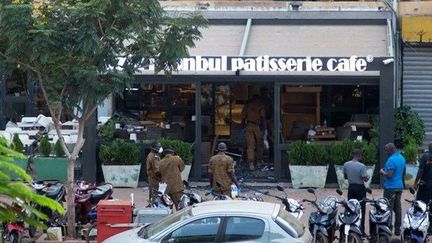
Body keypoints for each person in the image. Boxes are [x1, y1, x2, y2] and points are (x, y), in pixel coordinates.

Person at [380, 143, 406, 236]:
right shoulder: (402, 158)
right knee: (398, 208)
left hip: (390, 187)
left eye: (386, 150)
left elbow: (389, 174)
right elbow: (403, 173)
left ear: (391, 150)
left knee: (388, 208)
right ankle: (398, 229)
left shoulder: (391, 160)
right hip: (399, 187)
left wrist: (382, 172)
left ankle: (388, 228)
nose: (385, 152)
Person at [343, 149, 370, 234]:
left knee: (351, 207)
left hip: (351, 188)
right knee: (361, 208)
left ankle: (351, 227)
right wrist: (368, 176)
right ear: (359, 155)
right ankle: (361, 229)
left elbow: (345, 177)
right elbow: (365, 179)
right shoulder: (362, 166)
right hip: (360, 188)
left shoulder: (346, 164)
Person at [241, 95, 266, 171]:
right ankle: (259, 161)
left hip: (249, 125)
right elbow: (262, 117)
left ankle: (251, 164)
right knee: (260, 144)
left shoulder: (247, 106)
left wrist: (243, 127)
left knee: (250, 145)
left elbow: (243, 117)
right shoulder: (260, 105)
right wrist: (263, 128)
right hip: (257, 125)